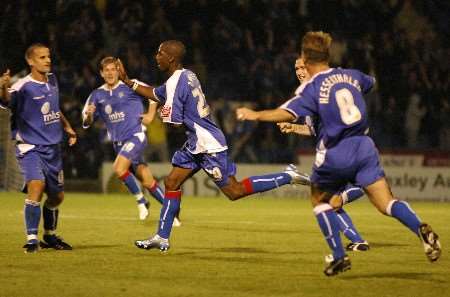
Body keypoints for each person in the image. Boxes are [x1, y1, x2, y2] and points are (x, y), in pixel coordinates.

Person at [236, 31, 441, 276]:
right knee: (386, 203)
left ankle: (339, 256)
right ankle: (420, 228)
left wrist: (255, 114)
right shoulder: (350, 75)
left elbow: (286, 112)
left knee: (320, 201)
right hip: (365, 147)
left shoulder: (312, 88)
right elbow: (371, 83)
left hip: (336, 151)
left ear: (306, 58)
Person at [116, 40, 310, 251]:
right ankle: (161, 237)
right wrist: (127, 81)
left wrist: (160, 115)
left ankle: (287, 176)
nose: (156, 57)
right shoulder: (187, 74)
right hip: (196, 143)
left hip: (208, 145)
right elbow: (156, 94)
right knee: (172, 183)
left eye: (160, 53)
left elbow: (174, 121)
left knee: (234, 191)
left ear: (170, 58)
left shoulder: (176, 82)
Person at [280, 56, 370, 255]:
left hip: (346, 154)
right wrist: (293, 127)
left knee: (330, 198)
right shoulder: (311, 93)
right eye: (296, 68)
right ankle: (357, 241)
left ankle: (347, 247)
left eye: (303, 67)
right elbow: (313, 129)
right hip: (343, 155)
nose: (299, 71)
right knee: (329, 200)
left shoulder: (320, 91)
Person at [82, 56, 180, 224]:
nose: (111, 73)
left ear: (119, 70)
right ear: (101, 73)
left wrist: (150, 114)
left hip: (136, 135)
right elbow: (85, 123)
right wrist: (89, 115)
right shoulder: (96, 95)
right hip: (118, 143)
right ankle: (171, 214)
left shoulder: (130, 84)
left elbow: (153, 94)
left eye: (114, 69)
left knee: (119, 168)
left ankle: (142, 202)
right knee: (148, 181)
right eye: (107, 70)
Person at [0, 43, 77, 253]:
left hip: (53, 147)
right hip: (30, 146)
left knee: (57, 197)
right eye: (42, 57)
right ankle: (32, 238)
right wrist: (2, 88)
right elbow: (6, 101)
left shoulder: (52, 79)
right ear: (31, 61)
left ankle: (49, 236)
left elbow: (54, 107)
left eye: (48, 56)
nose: (47, 60)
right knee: (37, 185)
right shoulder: (21, 86)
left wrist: (68, 126)